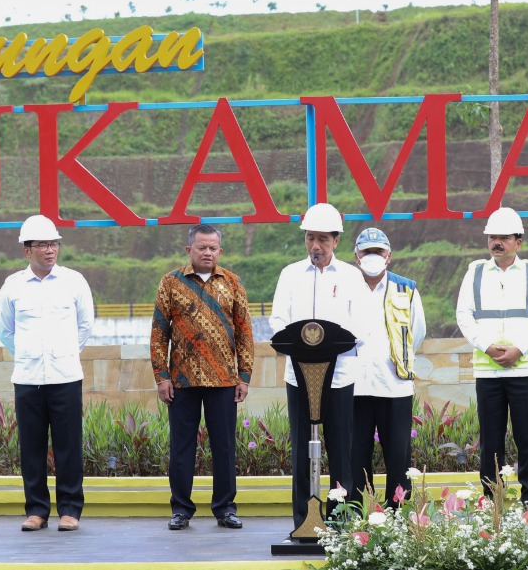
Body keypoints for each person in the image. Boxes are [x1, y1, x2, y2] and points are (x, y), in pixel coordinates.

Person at [269, 202, 366, 529]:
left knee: (341, 451)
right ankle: (303, 522)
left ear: (336, 241)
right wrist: (295, 341)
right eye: (310, 238)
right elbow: (278, 320)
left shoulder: (352, 276)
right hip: (299, 376)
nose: (316, 246)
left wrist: (339, 343)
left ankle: (342, 522)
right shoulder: (290, 274)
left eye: (323, 239)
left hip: (339, 376)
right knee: (301, 451)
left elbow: (362, 326)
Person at [150, 224, 254, 531]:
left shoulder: (232, 282)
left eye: (212, 248)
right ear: (189, 250)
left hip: (224, 381)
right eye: (201, 247)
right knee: (181, 447)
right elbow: (159, 333)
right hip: (181, 381)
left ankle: (225, 508)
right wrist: (161, 376)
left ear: (220, 251)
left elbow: (245, 332)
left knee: (224, 447)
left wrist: (244, 376)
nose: (207, 252)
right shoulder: (171, 282)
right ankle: (181, 508)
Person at [0, 215, 94, 532]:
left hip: (65, 377)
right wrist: (29, 356)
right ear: (27, 251)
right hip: (27, 380)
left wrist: (62, 354)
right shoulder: (12, 287)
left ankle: (70, 509)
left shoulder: (74, 282)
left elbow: (85, 327)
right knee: (31, 448)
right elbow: (6, 332)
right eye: (42, 245)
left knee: (69, 446)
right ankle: (37, 509)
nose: (50, 250)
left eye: (53, 244)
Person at [455, 207, 528, 505]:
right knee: (491, 441)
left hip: (524, 369)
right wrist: (486, 346)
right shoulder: (475, 271)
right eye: (492, 237)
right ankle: (492, 498)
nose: (497, 242)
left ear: (518, 242)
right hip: (488, 371)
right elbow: (464, 316)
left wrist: (518, 350)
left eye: (504, 237)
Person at [349, 227, 426, 512]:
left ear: (388, 256)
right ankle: (354, 513)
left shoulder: (406, 288)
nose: (372, 257)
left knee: (397, 456)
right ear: (356, 256)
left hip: (394, 385)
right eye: (366, 252)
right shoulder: (345, 287)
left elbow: (417, 333)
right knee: (354, 456)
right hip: (354, 386)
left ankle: (398, 513)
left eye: (378, 252)